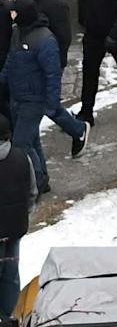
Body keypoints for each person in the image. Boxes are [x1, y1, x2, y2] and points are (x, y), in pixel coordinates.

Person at [3, 5, 65, 194]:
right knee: (33, 142)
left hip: (33, 101)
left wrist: (52, 104)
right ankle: (42, 178)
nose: (11, 16)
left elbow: (53, 74)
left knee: (21, 145)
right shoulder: (17, 33)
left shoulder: (45, 40)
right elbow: (10, 61)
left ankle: (35, 183)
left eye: (14, 12)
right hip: (17, 98)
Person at [0, 114, 33, 313]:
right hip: (15, 228)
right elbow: (32, 192)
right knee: (11, 274)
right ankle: (10, 315)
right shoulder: (22, 157)